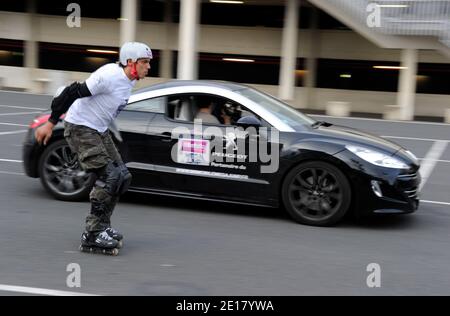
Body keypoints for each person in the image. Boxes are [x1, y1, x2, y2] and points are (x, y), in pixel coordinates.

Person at [35, 42, 153, 254]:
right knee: (110, 177)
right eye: (144, 62)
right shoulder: (109, 76)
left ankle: (102, 227)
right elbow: (71, 92)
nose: (148, 66)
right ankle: (92, 234)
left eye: (148, 62)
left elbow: (106, 109)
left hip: (98, 130)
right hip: (80, 128)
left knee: (122, 177)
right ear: (130, 62)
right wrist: (50, 123)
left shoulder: (129, 80)